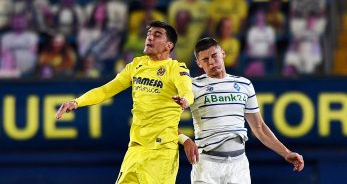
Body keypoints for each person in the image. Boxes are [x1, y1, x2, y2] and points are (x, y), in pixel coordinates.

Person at [55, 20, 194, 184]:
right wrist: (77, 102)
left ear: (169, 46)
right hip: (135, 149)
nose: (149, 38)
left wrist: (185, 100)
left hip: (161, 152)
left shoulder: (176, 69)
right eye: (149, 34)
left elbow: (187, 91)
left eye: (157, 35)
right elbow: (106, 90)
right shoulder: (136, 65)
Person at [176, 37, 304, 183]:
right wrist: (185, 140)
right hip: (206, 167)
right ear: (198, 63)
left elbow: (259, 127)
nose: (211, 62)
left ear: (222, 53)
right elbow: (166, 122)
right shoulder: (192, 86)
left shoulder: (244, 84)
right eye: (205, 59)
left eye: (214, 55)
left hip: (239, 167)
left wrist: (286, 153)